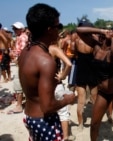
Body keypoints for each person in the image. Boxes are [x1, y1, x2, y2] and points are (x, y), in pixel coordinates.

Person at [19, 3, 76, 140]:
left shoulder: (25, 53)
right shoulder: (46, 61)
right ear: (49, 29)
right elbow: (47, 107)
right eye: (58, 27)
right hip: (43, 121)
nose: (59, 31)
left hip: (29, 116)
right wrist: (67, 100)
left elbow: (33, 84)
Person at [76, 25, 113, 141]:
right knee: (94, 125)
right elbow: (79, 30)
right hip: (103, 92)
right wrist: (101, 30)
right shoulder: (96, 46)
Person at [49, 41, 75, 141]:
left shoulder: (34, 49)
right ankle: (65, 137)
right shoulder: (53, 48)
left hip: (42, 86)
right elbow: (69, 64)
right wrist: (62, 76)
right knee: (63, 112)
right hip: (56, 84)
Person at [75, 20, 98, 130]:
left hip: (80, 70)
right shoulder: (94, 41)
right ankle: (95, 122)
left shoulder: (76, 40)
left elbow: (75, 55)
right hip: (92, 70)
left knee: (81, 100)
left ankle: (80, 124)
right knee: (95, 99)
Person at [7, 21, 28, 114]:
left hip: (20, 63)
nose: (14, 30)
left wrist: (16, 57)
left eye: (16, 29)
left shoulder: (22, 38)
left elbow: (23, 51)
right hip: (21, 62)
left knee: (18, 83)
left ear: (21, 29)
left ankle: (19, 105)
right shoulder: (21, 37)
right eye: (14, 29)